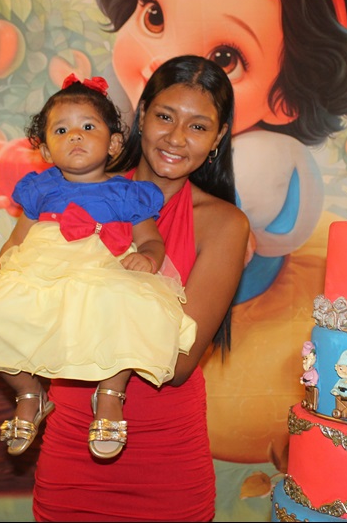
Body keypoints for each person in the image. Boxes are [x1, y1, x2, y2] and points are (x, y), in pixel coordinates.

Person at [91, 0, 347, 301]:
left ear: (286, 98)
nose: (167, 66)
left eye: (225, 59)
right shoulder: (116, 116)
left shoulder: (257, 170)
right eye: (155, 16)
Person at [31, 55, 250, 521]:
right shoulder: (75, 193)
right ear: (142, 115)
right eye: (165, 117)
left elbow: (178, 363)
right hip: (72, 442)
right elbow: (30, 314)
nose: (176, 138)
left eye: (198, 126)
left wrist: (75, 313)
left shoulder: (224, 224)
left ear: (218, 138)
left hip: (165, 458)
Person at [0, 74, 197, 460]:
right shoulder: (40, 189)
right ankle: (29, 394)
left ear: (114, 143)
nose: (75, 135)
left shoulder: (128, 193)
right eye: (62, 130)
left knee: (130, 309)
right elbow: (14, 243)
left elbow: (152, 240)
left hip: (102, 272)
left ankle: (110, 394)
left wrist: (148, 258)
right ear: (46, 149)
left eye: (88, 127)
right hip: (41, 271)